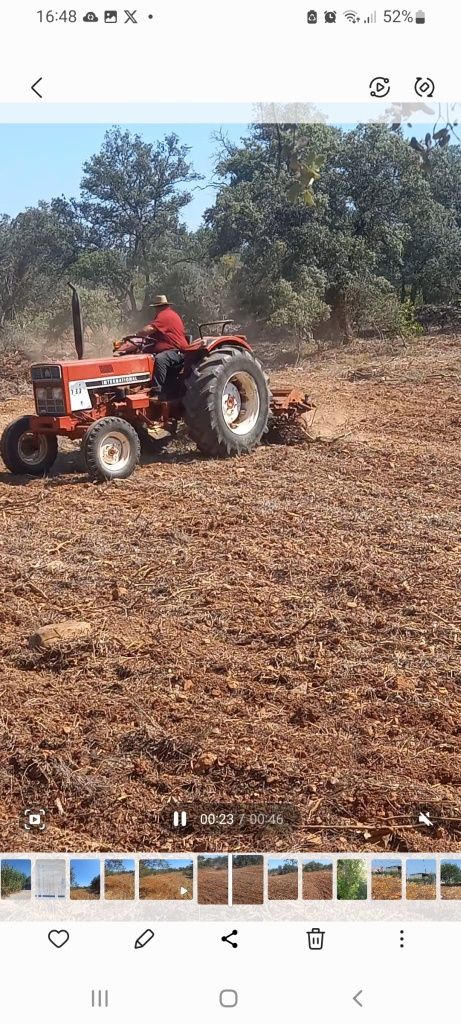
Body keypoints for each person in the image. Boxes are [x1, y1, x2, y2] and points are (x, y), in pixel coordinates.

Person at [119, 295, 190, 392]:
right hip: (168, 349)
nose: (156, 310)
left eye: (157, 307)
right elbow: (153, 336)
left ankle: (158, 390)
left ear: (160, 307)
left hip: (177, 351)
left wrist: (136, 334)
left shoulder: (166, 315)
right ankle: (139, 385)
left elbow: (149, 329)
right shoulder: (163, 316)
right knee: (141, 352)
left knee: (160, 359)